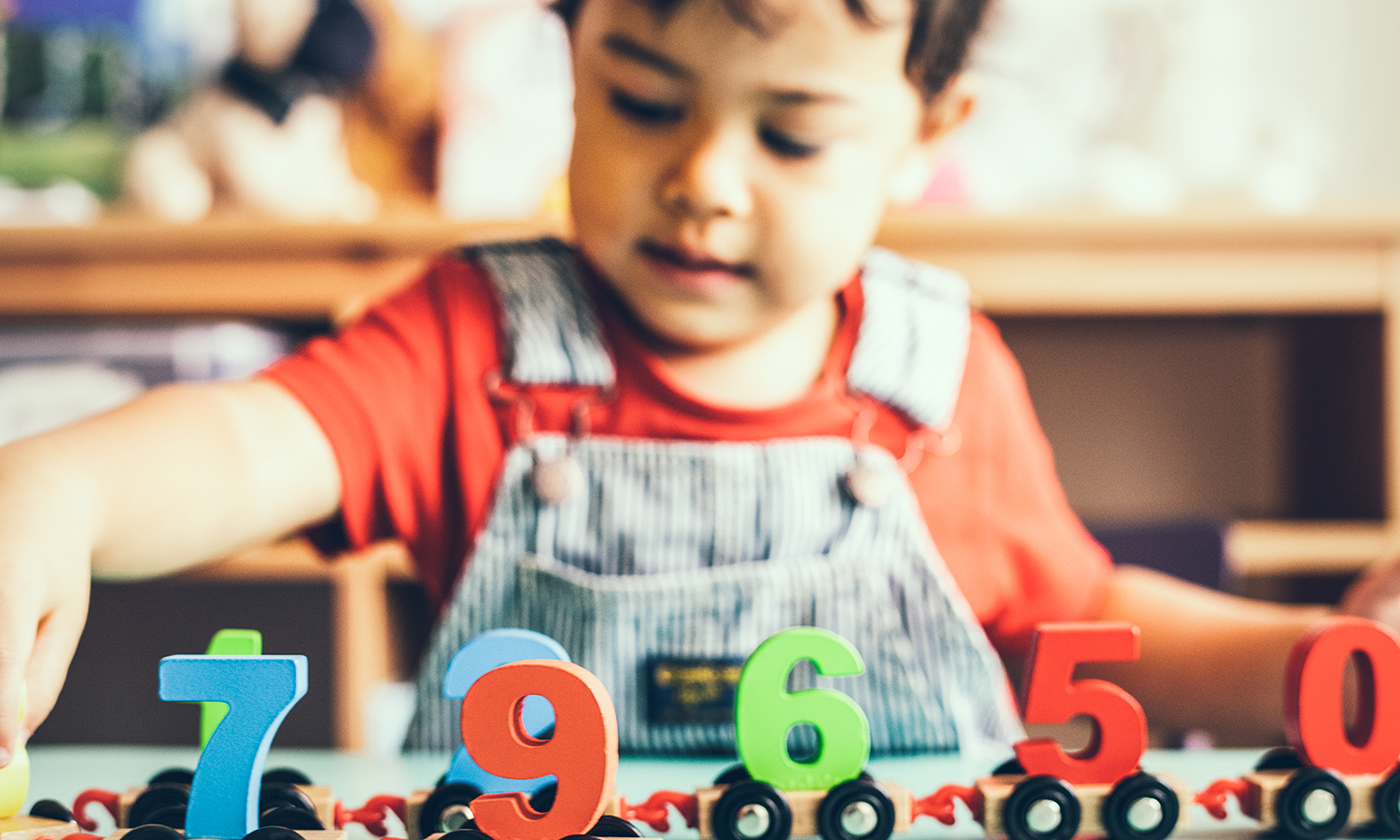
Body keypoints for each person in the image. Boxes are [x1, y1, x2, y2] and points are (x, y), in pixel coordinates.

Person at [0, 0, 1396, 762]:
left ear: (924, 135)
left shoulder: (938, 377)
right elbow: (253, 445)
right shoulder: (472, 341)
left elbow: (1078, 618)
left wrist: (1315, 667)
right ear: (570, 55)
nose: (702, 184)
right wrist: (56, 492)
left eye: (791, 135)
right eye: (646, 99)